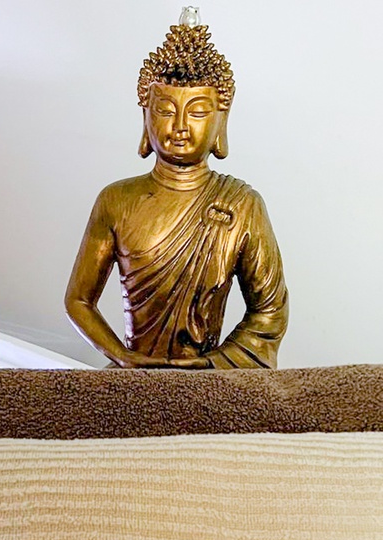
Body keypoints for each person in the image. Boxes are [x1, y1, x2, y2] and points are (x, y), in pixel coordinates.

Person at [65, 21, 288, 369]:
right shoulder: (116, 200)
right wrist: (123, 357)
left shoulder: (242, 204)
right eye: (165, 110)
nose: (180, 125)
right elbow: (78, 301)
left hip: (206, 376)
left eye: (197, 111)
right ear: (145, 116)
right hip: (133, 373)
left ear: (221, 120)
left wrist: (214, 364)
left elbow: (270, 311)